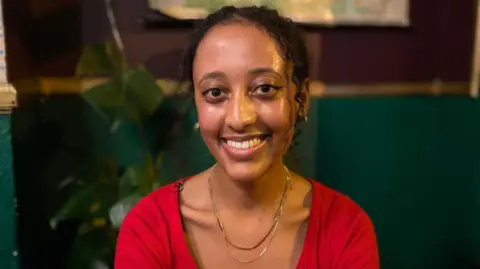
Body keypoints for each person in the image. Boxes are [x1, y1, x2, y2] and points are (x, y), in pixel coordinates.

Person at [115, 5, 379, 269]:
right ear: (197, 104)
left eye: (264, 88)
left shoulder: (346, 229)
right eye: (216, 93)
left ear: (302, 99)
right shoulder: (149, 227)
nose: (239, 118)